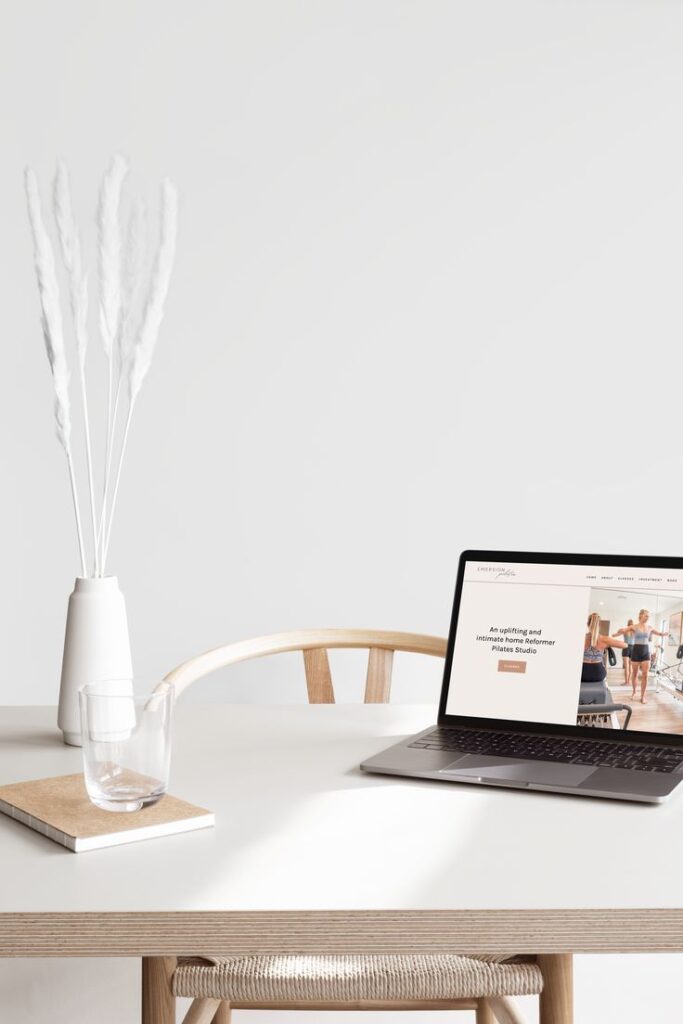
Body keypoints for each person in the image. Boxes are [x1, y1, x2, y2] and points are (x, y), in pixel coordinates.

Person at [622, 609, 668, 703]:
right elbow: (624, 630)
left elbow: (659, 633)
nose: (648, 617)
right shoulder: (634, 626)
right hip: (636, 651)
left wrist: (666, 633)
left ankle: (642, 696)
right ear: (641, 615)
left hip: (645, 651)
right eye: (646, 615)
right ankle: (634, 692)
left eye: (648, 616)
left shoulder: (650, 627)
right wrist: (617, 633)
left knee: (645, 675)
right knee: (634, 674)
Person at [582, 612, 626, 686]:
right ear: (599, 625)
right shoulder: (605, 639)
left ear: (587, 624)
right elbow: (625, 645)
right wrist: (607, 645)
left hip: (582, 673)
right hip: (598, 674)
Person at [615, 619, 635, 688]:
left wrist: (615, 634)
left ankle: (626, 682)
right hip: (633, 648)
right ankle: (629, 681)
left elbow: (615, 635)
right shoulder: (634, 632)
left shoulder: (625, 630)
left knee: (626, 666)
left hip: (626, 647)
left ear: (627, 624)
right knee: (630, 666)